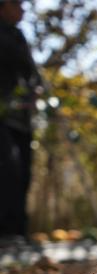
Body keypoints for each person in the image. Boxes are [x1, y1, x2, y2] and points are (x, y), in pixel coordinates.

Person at [1, 0, 38, 240]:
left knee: (24, 171)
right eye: (17, 4)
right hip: (2, 117)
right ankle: (5, 232)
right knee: (8, 170)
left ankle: (18, 233)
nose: (22, 10)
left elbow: (31, 72)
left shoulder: (18, 36)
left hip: (21, 117)